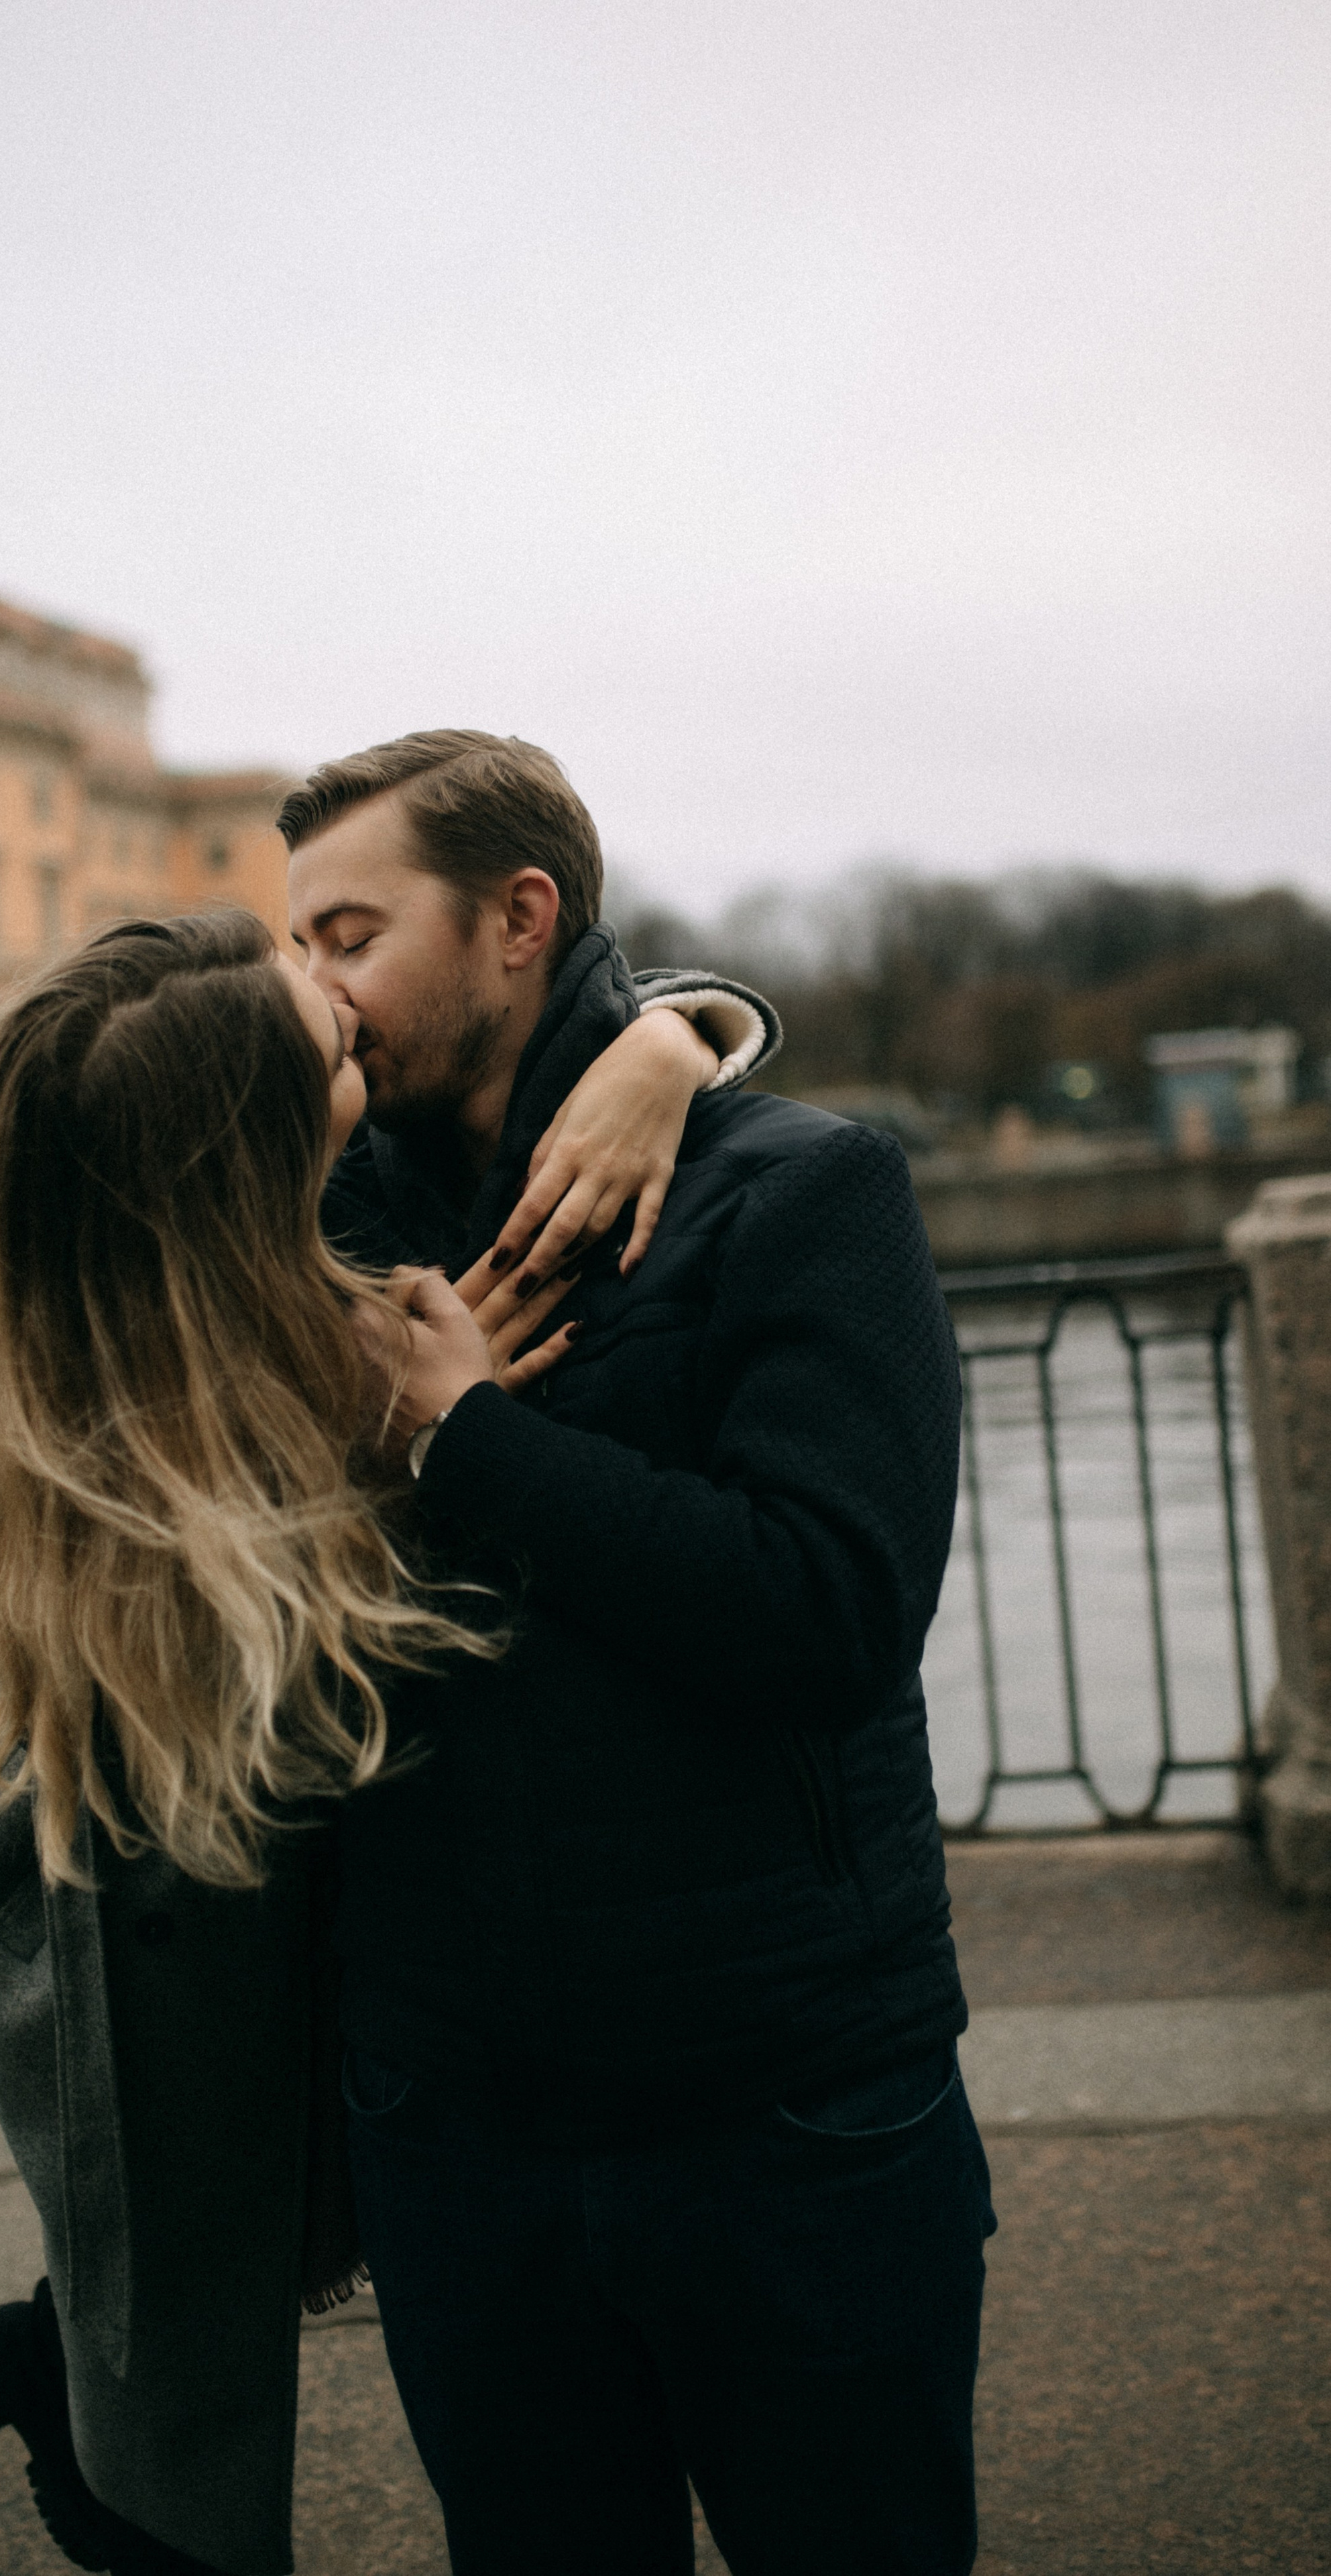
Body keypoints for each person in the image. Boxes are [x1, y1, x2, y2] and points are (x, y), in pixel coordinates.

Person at [0, 899, 768, 2576]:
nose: (355, 1009)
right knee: (174, 2348)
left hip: (228, 1887)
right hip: (122, 1924)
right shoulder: (132, 1430)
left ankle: (91, 2385)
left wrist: (669, 1038)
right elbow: (270, 1658)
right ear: (256, 1146)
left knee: (216, 2260)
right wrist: (411, 1447)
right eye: (324, 1028)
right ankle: (100, 2434)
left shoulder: (138, 1218)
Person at [282, 731, 995, 2576]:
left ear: (521, 920)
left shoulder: (810, 1192)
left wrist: (469, 1441)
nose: (319, 989)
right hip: (459, 2138)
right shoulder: (310, 1245)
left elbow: (826, 1616)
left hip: (788, 2112)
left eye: (352, 933)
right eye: (298, 946)